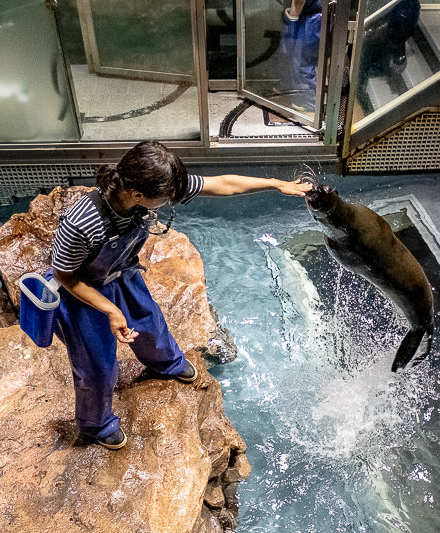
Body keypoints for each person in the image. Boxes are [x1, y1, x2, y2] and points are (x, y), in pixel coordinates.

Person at [50, 140, 312, 450]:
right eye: (163, 199)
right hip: (83, 291)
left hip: (122, 274)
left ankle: (166, 363)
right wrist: (110, 310)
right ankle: (95, 424)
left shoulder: (145, 186)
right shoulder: (82, 223)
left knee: (149, 321)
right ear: (138, 196)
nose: (168, 201)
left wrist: (275, 183)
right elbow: (64, 275)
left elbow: (221, 184)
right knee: (96, 364)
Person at [277, 0, 322, 113]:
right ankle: (291, 86)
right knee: (300, 57)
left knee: (303, 61)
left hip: (311, 19)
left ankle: (310, 102)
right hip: (311, 16)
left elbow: (299, 1)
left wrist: (291, 23)